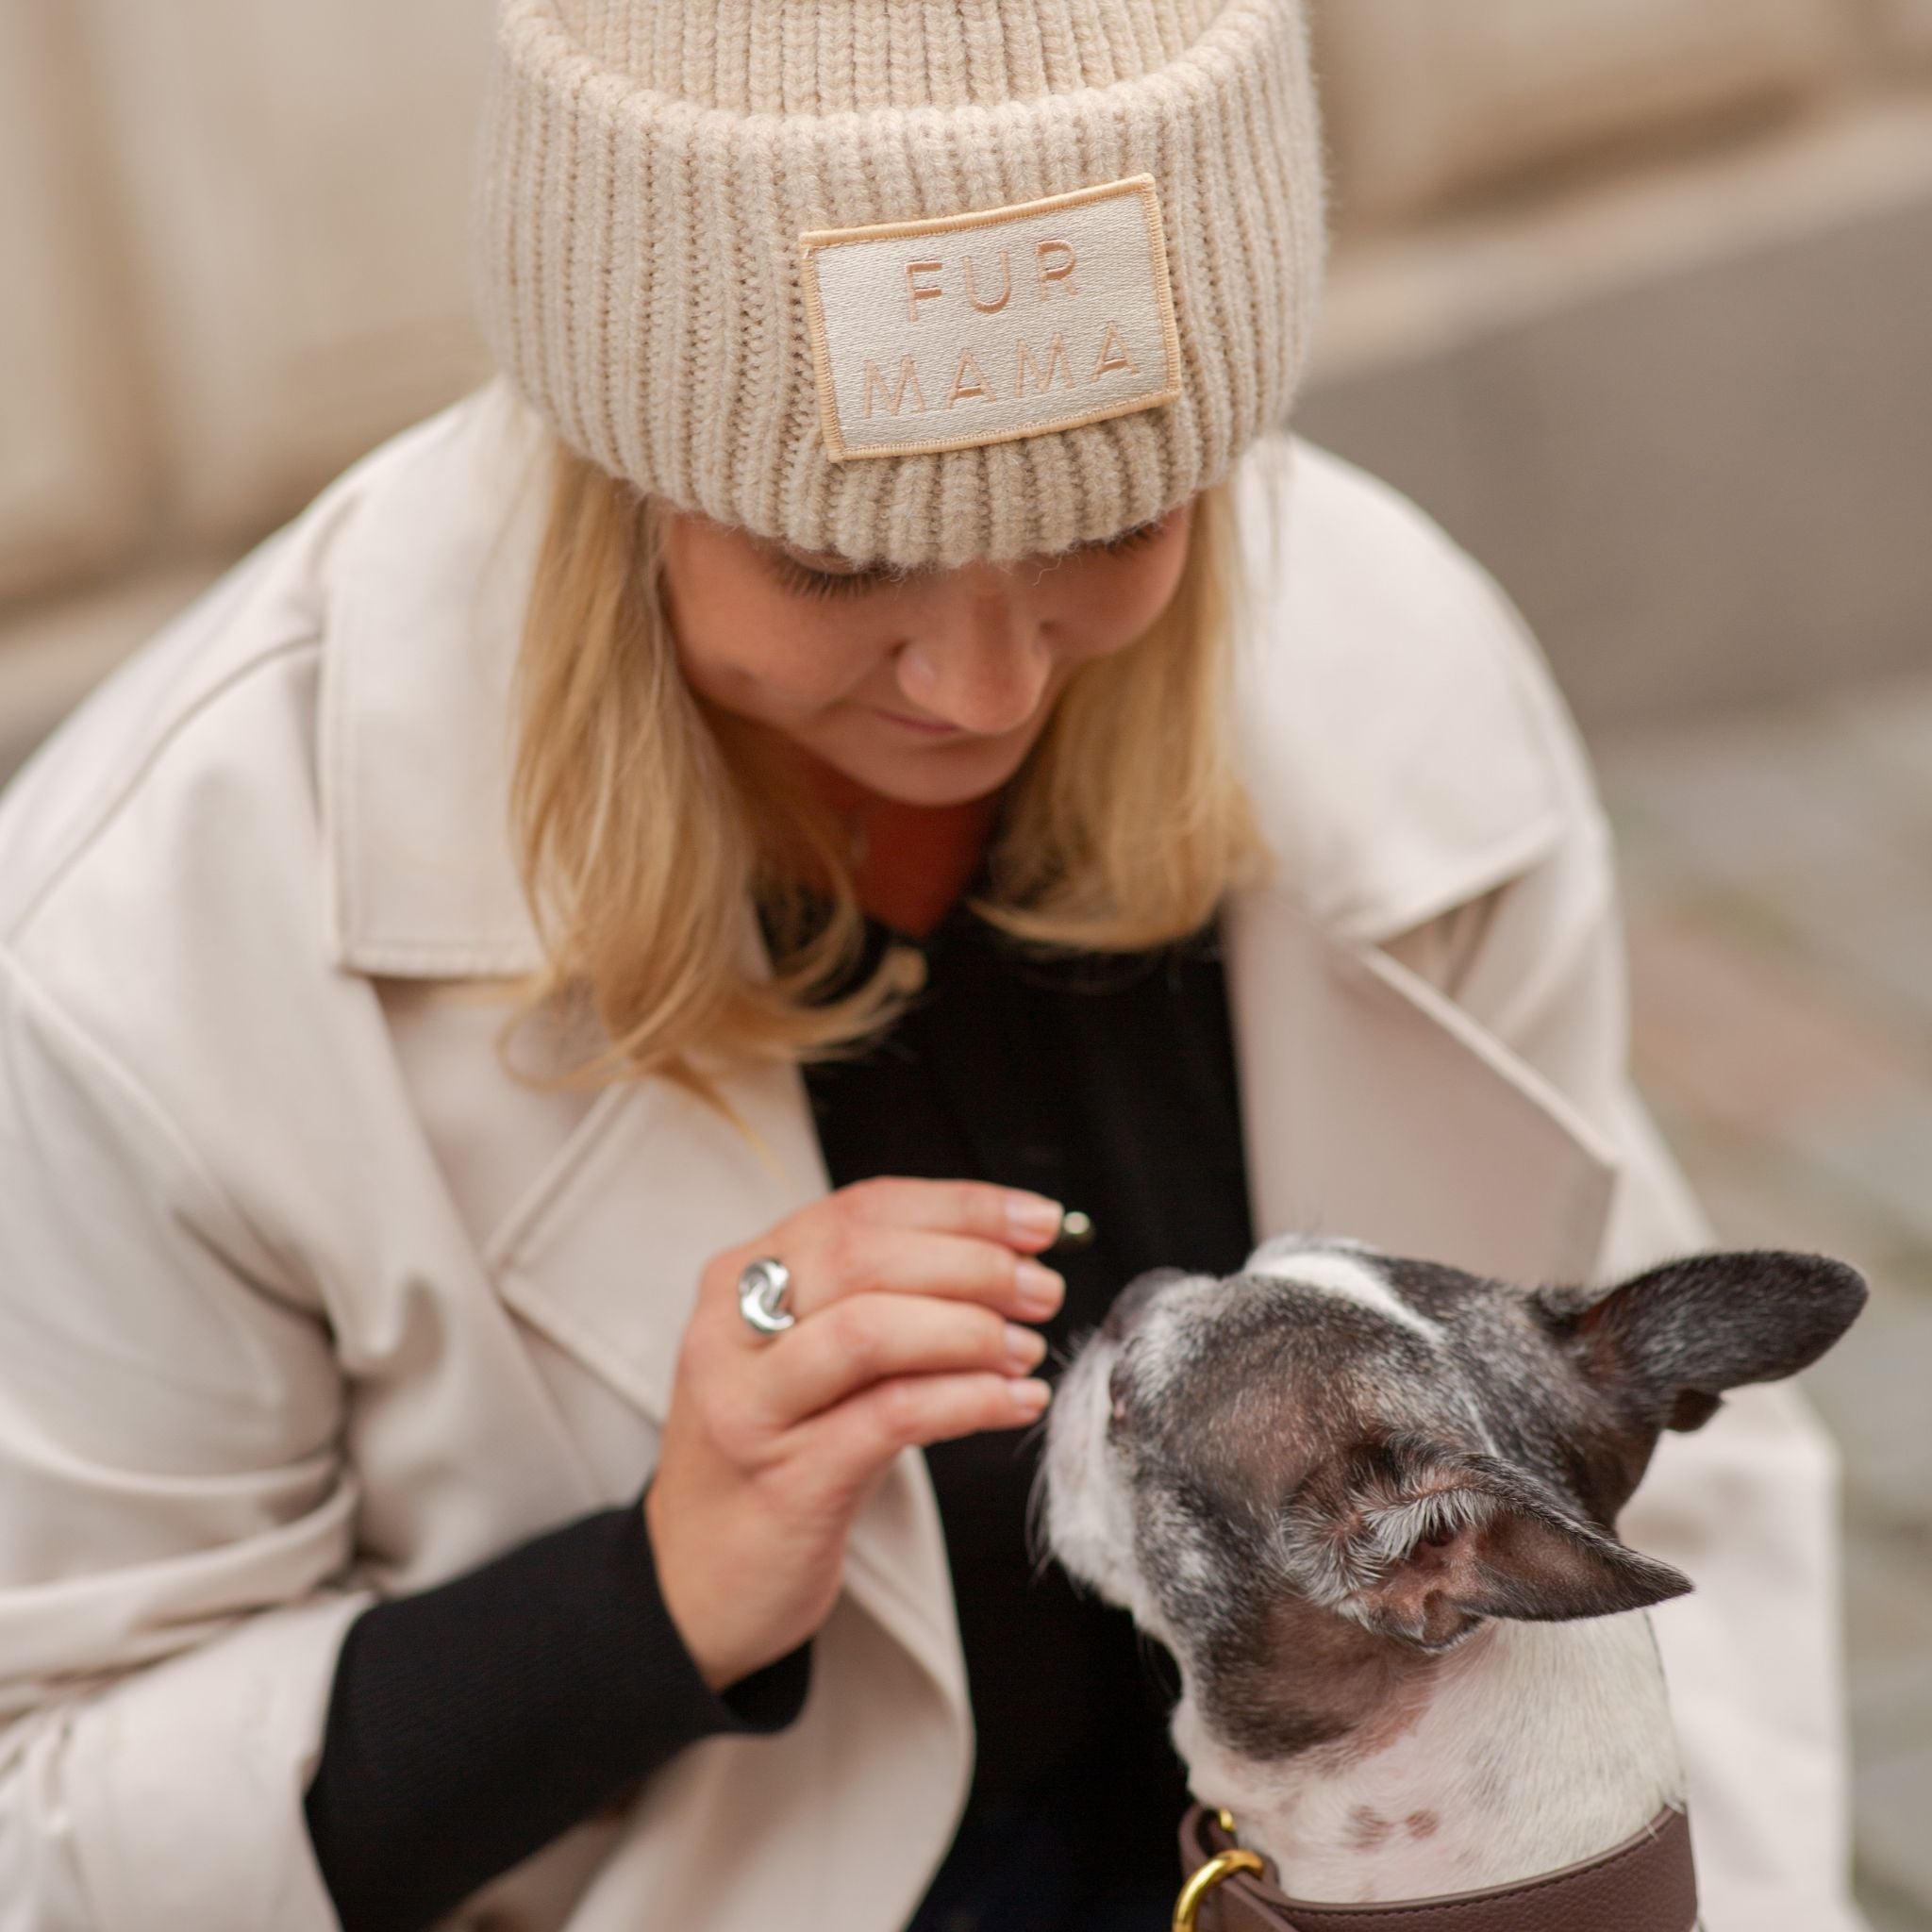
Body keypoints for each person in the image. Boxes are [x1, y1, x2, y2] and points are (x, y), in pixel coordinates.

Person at [0, 4, 1860, 1930]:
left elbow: (1629, 1502)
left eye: (1107, 523)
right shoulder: (153, 934)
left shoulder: (1394, 679)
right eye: (836, 559)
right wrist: (651, 1593)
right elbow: (47, 1821)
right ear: (620, 452)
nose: (982, 689)